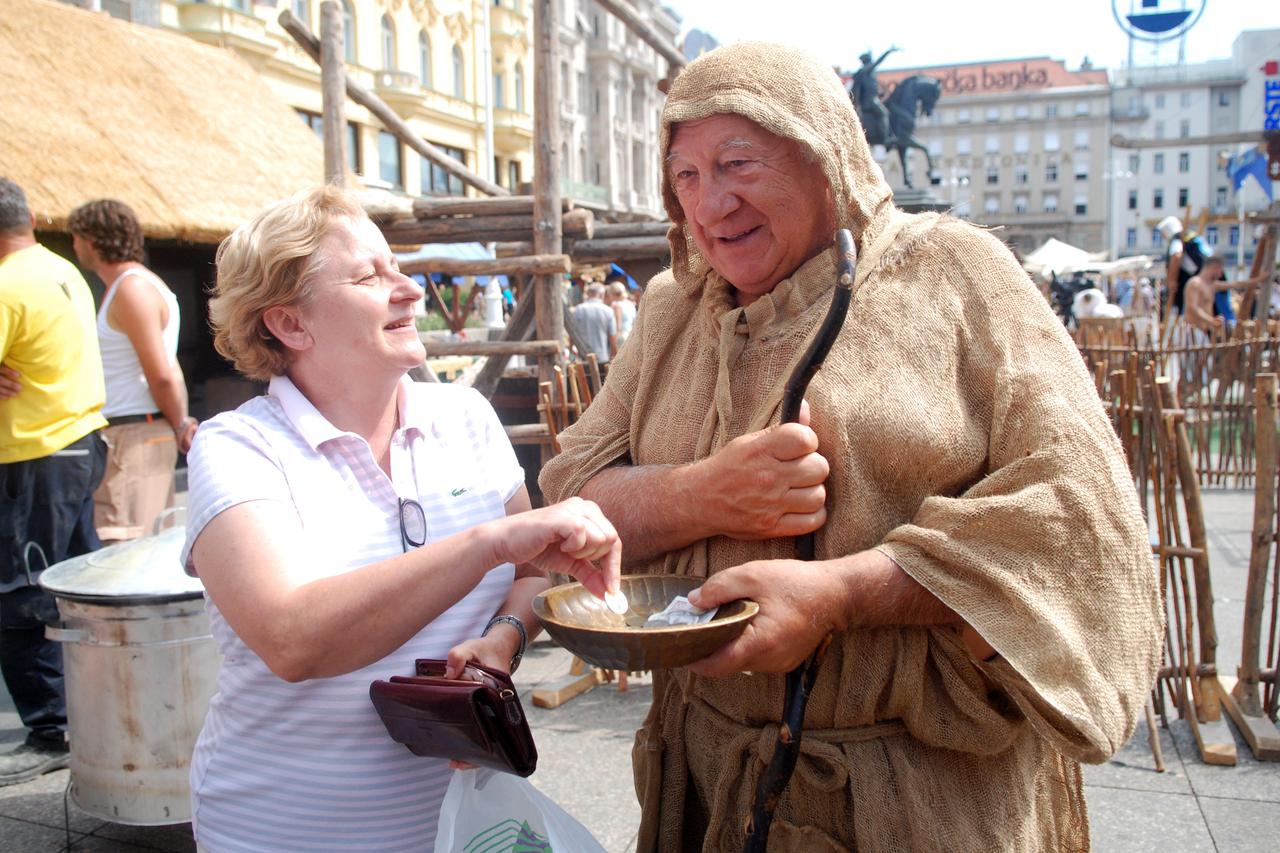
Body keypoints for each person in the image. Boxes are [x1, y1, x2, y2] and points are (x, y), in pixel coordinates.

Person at [540, 43, 1161, 851]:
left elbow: (1080, 517)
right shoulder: (671, 310)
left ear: (824, 153)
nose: (710, 203)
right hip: (709, 788)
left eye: (737, 163)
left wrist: (844, 592)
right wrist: (705, 494)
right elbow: (568, 494)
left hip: (921, 800)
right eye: (685, 175)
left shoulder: (955, 275)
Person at [183, 186, 620, 851]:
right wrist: (484, 544)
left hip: (464, 827)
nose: (409, 289)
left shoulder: (466, 418)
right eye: (369, 275)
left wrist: (503, 638)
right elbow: (291, 637)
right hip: (286, 831)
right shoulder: (239, 447)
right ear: (290, 324)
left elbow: (531, 570)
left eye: (397, 266)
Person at [0, 177, 107, 785]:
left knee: (21, 596)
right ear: (32, 216)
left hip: (31, 454)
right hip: (77, 443)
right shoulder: (61, 269)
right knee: (77, 591)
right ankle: (90, 715)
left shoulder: (6, 286)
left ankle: (48, 729)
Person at [67, 200, 196, 543]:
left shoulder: (131, 289)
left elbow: (161, 372)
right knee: (147, 542)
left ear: (92, 240)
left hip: (134, 433)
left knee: (125, 545)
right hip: (142, 429)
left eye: (76, 238)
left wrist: (180, 421)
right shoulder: (138, 285)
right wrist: (180, 419)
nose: (74, 246)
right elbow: (170, 365)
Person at [570, 280, 616, 363]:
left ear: (588, 294)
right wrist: (614, 356)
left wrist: (571, 351)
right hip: (602, 356)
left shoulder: (578, 309)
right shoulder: (608, 311)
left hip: (583, 356)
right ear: (602, 295)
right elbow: (612, 337)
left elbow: (572, 334)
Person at [606, 280, 636, 350]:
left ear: (612, 294)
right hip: (631, 335)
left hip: (621, 337)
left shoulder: (616, 305)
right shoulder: (631, 304)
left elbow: (618, 325)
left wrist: (613, 343)